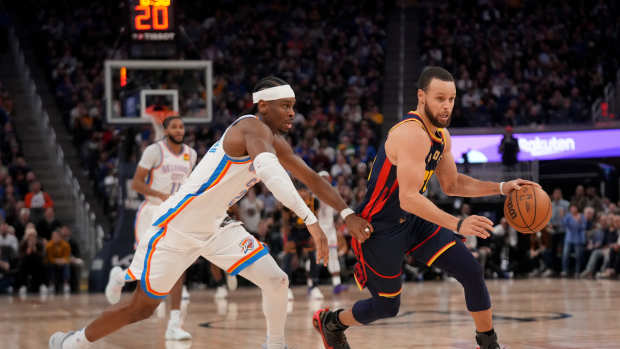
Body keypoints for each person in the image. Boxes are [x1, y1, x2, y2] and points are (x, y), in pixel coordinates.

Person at [50, 76, 372, 349]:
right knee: (141, 309)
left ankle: (276, 345)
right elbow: (272, 175)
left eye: (293, 106)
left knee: (276, 280)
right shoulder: (250, 127)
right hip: (177, 227)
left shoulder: (274, 142)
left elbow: (312, 179)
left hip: (217, 228)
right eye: (285, 106)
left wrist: (346, 213)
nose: (292, 112)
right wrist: (311, 220)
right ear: (263, 106)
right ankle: (73, 342)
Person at [312, 67, 538, 349]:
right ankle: (332, 322)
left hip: (414, 220)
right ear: (421, 97)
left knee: (471, 271)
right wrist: (457, 223)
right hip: (378, 227)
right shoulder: (411, 134)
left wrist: (502, 188)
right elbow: (407, 197)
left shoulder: (441, 136)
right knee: (386, 306)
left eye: (452, 99)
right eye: (439, 98)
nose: (446, 106)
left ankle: (489, 343)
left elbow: (452, 184)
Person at [104, 116, 197, 340]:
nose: (178, 130)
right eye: (174, 126)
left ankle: (174, 325)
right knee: (146, 267)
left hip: (176, 214)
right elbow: (136, 184)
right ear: (165, 130)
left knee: (179, 266)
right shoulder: (154, 151)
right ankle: (120, 277)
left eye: (181, 126)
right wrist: (159, 194)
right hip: (153, 211)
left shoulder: (191, 155)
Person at [318, 171, 348, 295]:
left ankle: (337, 284)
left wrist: (339, 223)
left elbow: (337, 213)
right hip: (318, 230)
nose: (326, 180)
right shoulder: (314, 195)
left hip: (330, 230)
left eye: (327, 178)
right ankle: (311, 284)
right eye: (323, 178)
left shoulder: (332, 193)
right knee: (314, 257)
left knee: (333, 257)